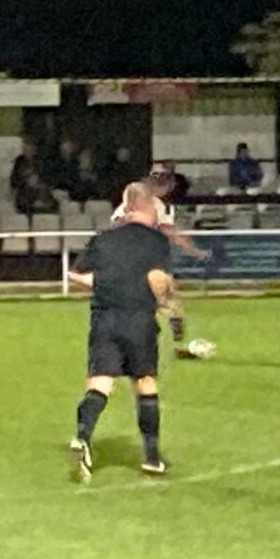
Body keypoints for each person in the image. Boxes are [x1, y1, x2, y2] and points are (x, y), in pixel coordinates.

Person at [66, 182, 176, 480]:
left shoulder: (104, 239)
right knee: (145, 382)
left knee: (100, 382)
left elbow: (75, 273)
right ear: (149, 207)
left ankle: (82, 437)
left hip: (104, 318)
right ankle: (152, 458)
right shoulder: (156, 242)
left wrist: (105, 285)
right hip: (139, 318)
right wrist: (169, 308)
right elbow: (159, 279)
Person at [111, 167, 212, 359]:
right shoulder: (157, 205)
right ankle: (175, 346)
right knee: (169, 302)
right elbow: (169, 232)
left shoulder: (128, 203)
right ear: (166, 186)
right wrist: (194, 251)